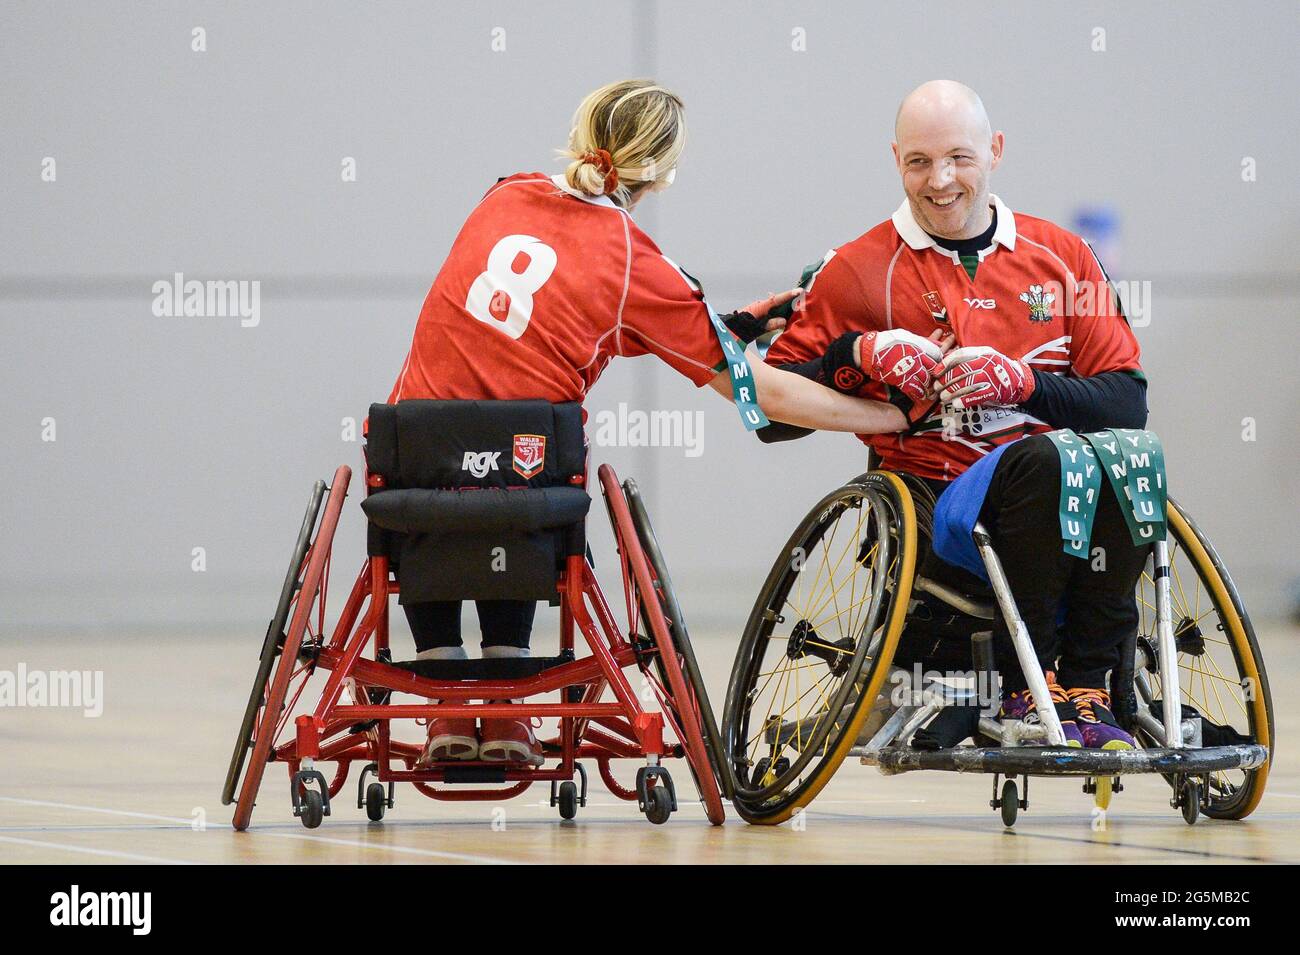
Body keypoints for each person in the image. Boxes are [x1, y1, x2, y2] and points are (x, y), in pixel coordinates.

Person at [389, 79, 905, 767]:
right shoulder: (636, 260)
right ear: (661, 175)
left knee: (468, 464)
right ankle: (507, 706)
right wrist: (887, 415)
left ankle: (450, 707)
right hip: (527, 479)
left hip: (409, 460)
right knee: (528, 471)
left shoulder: (506, 192)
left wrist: (740, 321)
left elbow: (569, 312)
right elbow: (764, 394)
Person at [761, 80, 1150, 749]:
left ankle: (1092, 683)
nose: (939, 180)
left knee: (1127, 457)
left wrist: (1024, 383)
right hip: (933, 500)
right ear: (895, 161)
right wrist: (861, 351)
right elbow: (772, 409)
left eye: (959, 158)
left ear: (995, 151)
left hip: (1055, 494)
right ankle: (1032, 686)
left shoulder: (1063, 257)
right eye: (918, 161)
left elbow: (1127, 401)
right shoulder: (858, 269)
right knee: (1043, 460)